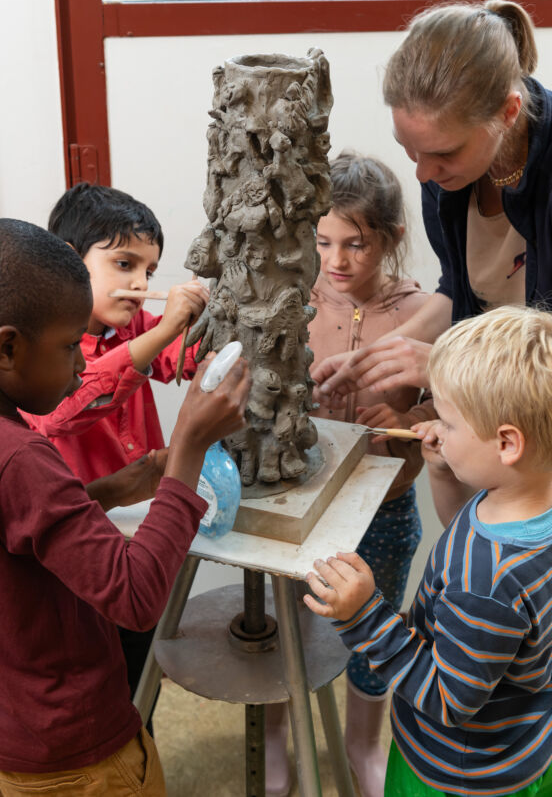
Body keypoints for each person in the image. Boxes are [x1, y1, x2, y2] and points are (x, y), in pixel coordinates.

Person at [0, 218, 250, 797]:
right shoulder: (19, 457)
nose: (78, 370)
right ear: (7, 347)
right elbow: (135, 598)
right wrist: (188, 450)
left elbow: (4, 535)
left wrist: (113, 489)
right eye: (68, 348)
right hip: (73, 755)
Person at [312, 0, 551, 522]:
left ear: (508, 113)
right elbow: (459, 291)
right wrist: (380, 351)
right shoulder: (447, 177)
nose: (421, 173)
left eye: (442, 154)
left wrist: (445, 368)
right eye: (408, 148)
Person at [305, 305, 552, 796]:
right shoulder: (519, 496)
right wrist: (444, 468)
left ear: (507, 444)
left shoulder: (488, 582)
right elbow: (464, 527)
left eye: (450, 421)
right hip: (522, 742)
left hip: (458, 770)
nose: (436, 427)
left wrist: (364, 618)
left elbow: (445, 699)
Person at [264, 151, 436, 797]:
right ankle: (281, 738)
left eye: (355, 245)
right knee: (294, 633)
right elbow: (270, 393)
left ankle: (365, 745)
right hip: (304, 501)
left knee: (373, 640)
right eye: (323, 243)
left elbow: (443, 416)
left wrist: (402, 407)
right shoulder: (301, 303)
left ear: (390, 240)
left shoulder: (420, 312)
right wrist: (299, 401)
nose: (336, 262)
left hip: (385, 512)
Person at [20, 182, 210, 724]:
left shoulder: (135, 327)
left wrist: (212, 324)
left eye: (149, 271)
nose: (139, 284)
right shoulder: (44, 352)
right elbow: (66, 409)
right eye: (124, 263)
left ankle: (137, 744)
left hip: (142, 535)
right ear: (66, 264)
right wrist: (167, 327)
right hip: (80, 548)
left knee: (138, 664)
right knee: (97, 678)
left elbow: (187, 358)